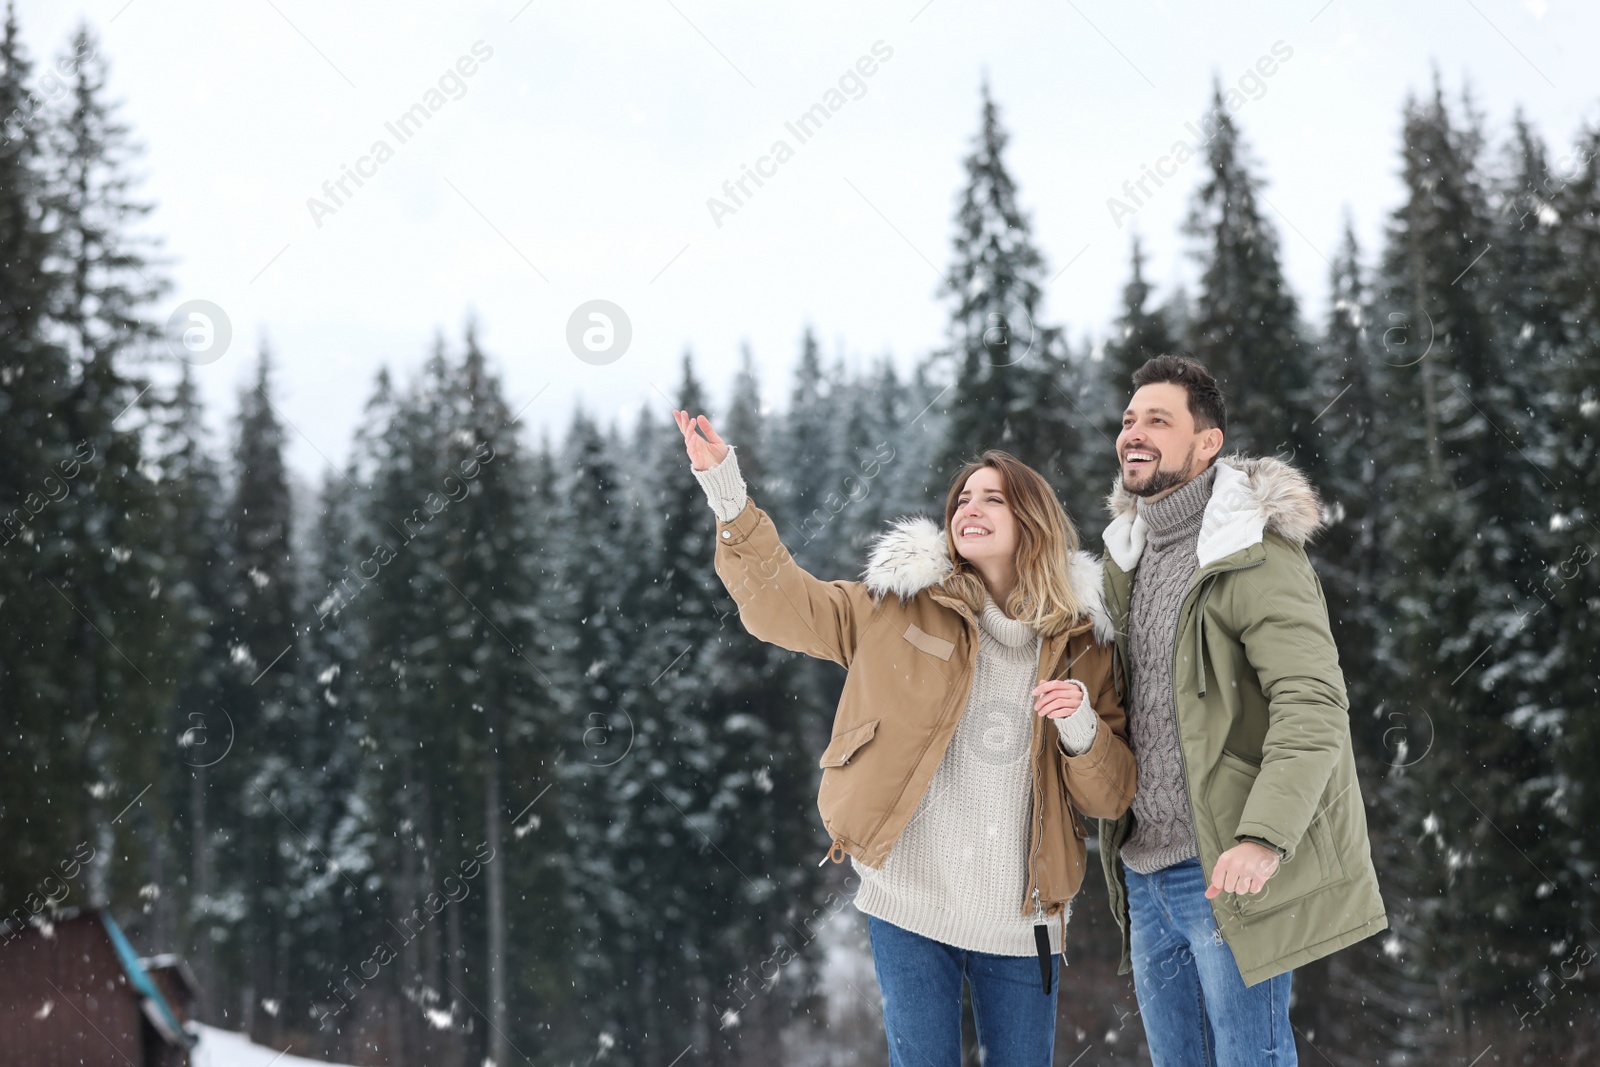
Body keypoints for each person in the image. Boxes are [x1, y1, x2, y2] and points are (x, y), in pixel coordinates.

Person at [674, 409, 1135, 1067]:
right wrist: (726, 488)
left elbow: (1111, 794)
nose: (969, 507)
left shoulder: (1082, 643)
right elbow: (782, 605)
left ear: (1031, 520)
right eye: (962, 498)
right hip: (910, 903)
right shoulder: (897, 605)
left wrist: (1080, 726)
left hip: (1024, 920)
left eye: (992, 498)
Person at [1097, 356, 1387, 1066]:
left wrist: (1262, 836)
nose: (1134, 432)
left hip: (1220, 864)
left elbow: (1313, 705)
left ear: (1208, 443)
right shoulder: (1124, 559)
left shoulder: (1253, 551)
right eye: (1130, 419)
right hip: (1144, 871)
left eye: (1158, 420)